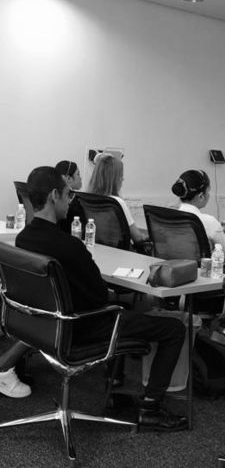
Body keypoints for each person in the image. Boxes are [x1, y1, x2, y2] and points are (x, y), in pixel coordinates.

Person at [14, 166, 188, 431]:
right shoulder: (70, 246)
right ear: (53, 196)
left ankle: (114, 387)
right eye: (68, 194)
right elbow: (99, 296)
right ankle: (150, 408)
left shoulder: (23, 239)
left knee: (122, 308)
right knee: (174, 328)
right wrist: (111, 294)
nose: (70, 200)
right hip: (82, 328)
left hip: (44, 327)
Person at [87, 153, 147, 245]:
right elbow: (137, 238)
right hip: (118, 251)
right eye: (120, 175)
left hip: (97, 247)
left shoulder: (88, 198)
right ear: (114, 178)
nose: (122, 179)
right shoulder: (117, 202)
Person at [171, 169, 225, 256]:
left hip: (170, 264)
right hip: (198, 265)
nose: (209, 195)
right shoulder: (210, 222)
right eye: (208, 192)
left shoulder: (169, 216)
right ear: (201, 196)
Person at [55, 159, 86, 234]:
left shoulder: (55, 201)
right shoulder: (74, 205)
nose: (80, 178)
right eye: (78, 174)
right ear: (68, 178)